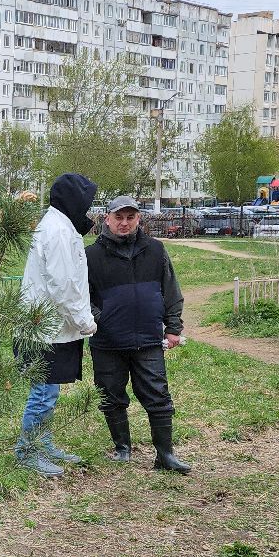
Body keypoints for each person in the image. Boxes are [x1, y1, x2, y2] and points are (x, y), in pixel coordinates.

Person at [86, 195, 191, 474]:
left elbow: (171, 291)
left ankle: (165, 454)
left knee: (158, 395)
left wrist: (173, 328)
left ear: (138, 219)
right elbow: (80, 297)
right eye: (118, 217)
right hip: (107, 341)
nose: (124, 223)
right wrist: (100, 318)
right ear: (106, 219)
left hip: (147, 339)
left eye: (130, 217)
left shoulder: (155, 251)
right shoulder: (90, 256)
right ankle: (122, 448)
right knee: (110, 395)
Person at [15, 173, 99, 477]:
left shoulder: (60, 226)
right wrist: (84, 321)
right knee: (42, 392)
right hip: (44, 328)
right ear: (74, 201)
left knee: (48, 391)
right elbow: (63, 286)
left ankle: (43, 441)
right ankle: (27, 450)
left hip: (51, 326)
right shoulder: (58, 232)